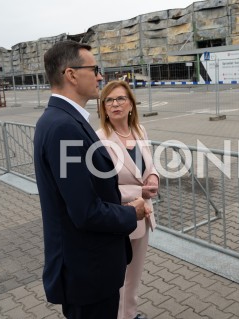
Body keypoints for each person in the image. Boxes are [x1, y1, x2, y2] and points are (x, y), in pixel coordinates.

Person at [34, 40, 150, 319]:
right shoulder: (64, 127)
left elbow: (80, 192)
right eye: (95, 69)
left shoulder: (62, 120)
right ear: (71, 75)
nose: (100, 76)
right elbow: (84, 211)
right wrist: (129, 213)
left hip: (86, 269)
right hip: (88, 272)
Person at [96, 80, 159, 319]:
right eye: (109, 100)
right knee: (118, 278)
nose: (115, 104)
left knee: (134, 274)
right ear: (103, 108)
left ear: (131, 104)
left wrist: (153, 177)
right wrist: (138, 194)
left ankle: (130, 314)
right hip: (118, 217)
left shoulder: (139, 131)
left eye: (120, 99)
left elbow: (149, 165)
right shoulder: (99, 140)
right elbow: (103, 188)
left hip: (143, 216)